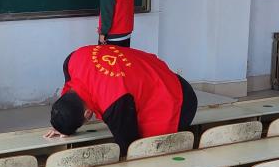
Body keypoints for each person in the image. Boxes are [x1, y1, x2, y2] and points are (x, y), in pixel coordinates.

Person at [46, 44, 198, 156]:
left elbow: (129, 146)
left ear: (87, 114)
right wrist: (62, 122)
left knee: (146, 149)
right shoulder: (71, 61)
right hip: (156, 74)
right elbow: (69, 91)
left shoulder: (114, 104)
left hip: (179, 101)